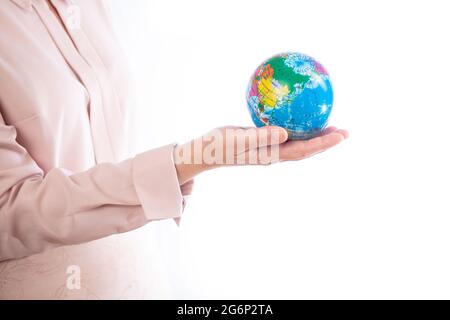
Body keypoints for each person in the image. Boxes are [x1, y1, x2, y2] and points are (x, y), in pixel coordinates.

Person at [0, 0, 348, 299]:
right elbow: (9, 215)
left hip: (141, 277)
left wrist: (190, 162)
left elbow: (107, 152)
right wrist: (186, 162)